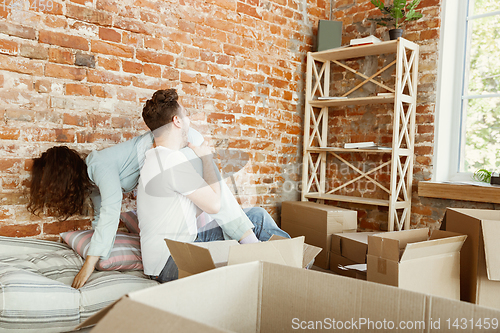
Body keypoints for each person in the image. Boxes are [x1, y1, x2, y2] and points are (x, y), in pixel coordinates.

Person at [138, 89, 290, 282]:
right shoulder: (172, 161)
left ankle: (288, 260)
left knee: (256, 216)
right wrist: (206, 159)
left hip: (174, 252)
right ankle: (288, 265)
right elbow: (215, 205)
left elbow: (195, 209)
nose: (188, 121)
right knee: (248, 235)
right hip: (171, 261)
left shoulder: (156, 158)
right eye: (185, 116)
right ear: (177, 121)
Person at [27, 122, 204, 288]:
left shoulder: (99, 165)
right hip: (168, 149)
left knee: (203, 208)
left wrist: (89, 264)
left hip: (177, 140)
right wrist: (95, 255)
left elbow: (111, 210)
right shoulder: (91, 181)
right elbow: (100, 216)